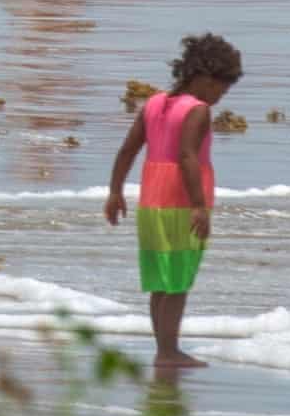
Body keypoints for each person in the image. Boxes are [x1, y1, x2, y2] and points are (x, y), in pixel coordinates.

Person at [102, 31, 239, 374]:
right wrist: (199, 206)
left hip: (152, 202)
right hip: (180, 202)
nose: (221, 95)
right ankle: (168, 351)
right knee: (177, 281)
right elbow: (188, 158)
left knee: (160, 280)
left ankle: (165, 348)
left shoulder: (154, 103)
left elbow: (128, 148)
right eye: (221, 87)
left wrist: (116, 191)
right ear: (205, 78)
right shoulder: (198, 111)